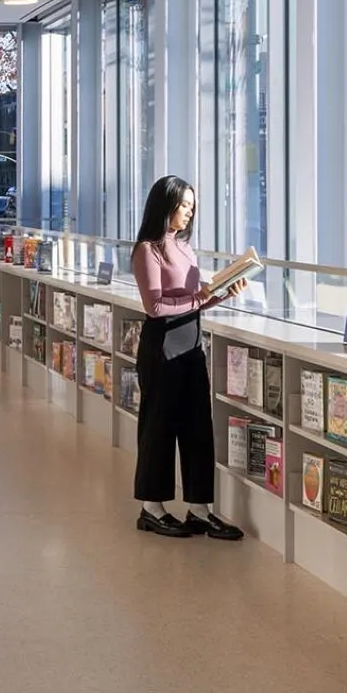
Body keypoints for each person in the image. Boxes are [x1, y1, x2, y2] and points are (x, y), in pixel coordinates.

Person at [131, 176, 248, 541]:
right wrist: (200, 299)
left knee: (199, 430)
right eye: (184, 205)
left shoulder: (184, 248)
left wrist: (222, 294)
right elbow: (155, 306)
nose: (189, 212)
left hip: (191, 347)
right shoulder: (147, 250)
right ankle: (152, 508)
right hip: (162, 348)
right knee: (159, 430)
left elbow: (194, 298)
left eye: (192, 207)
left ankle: (200, 510)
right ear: (165, 205)